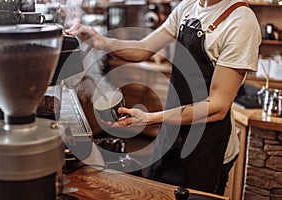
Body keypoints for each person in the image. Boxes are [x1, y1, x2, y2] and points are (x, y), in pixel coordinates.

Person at [66, 0, 261, 195]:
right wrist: (103, 42)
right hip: (171, 133)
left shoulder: (240, 21)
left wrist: (149, 118)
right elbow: (144, 47)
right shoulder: (188, 6)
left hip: (207, 144)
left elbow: (217, 106)